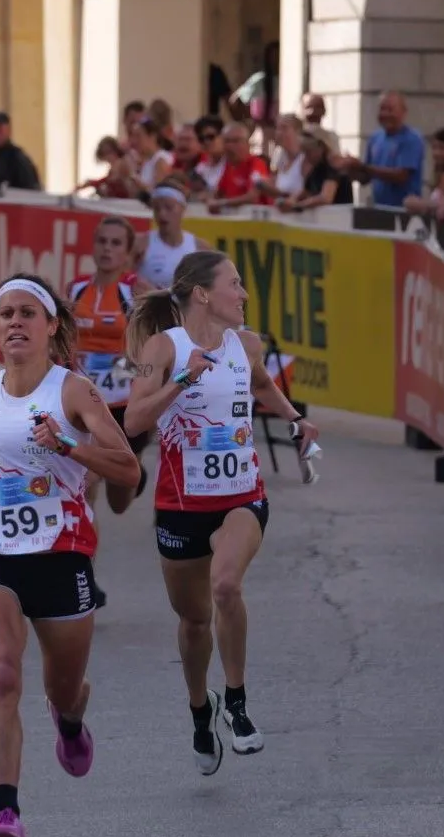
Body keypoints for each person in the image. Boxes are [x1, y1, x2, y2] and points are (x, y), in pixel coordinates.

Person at [0, 273, 140, 837]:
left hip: (61, 558)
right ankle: (6, 813)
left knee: (63, 689)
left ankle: (69, 721)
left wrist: (67, 447)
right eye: (5, 315)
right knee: (1, 673)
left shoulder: (73, 393)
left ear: (50, 327)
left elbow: (126, 470)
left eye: (27, 314)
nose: (14, 323)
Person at [122, 251, 318, 774]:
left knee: (227, 585)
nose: (244, 294)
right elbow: (135, 419)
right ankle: (199, 709)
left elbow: (258, 382)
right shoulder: (160, 348)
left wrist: (296, 419)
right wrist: (182, 381)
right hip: (181, 504)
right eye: (235, 284)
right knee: (193, 621)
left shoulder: (246, 344)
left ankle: (236, 702)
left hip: (241, 495)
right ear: (203, 293)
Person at [69, 219, 152, 595]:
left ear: (128, 252)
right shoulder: (75, 289)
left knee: (119, 502)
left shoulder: (135, 292)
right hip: (86, 407)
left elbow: (158, 346)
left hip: (124, 410)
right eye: (101, 241)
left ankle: (134, 473)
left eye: (115, 243)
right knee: (85, 485)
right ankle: (86, 578)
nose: (106, 249)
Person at [131, 185, 212, 293]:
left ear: (183, 209)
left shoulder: (200, 247)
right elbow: (123, 281)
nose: (162, 214)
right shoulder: (140, 243)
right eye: (157, 208)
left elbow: (209, 290)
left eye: (169, 207)